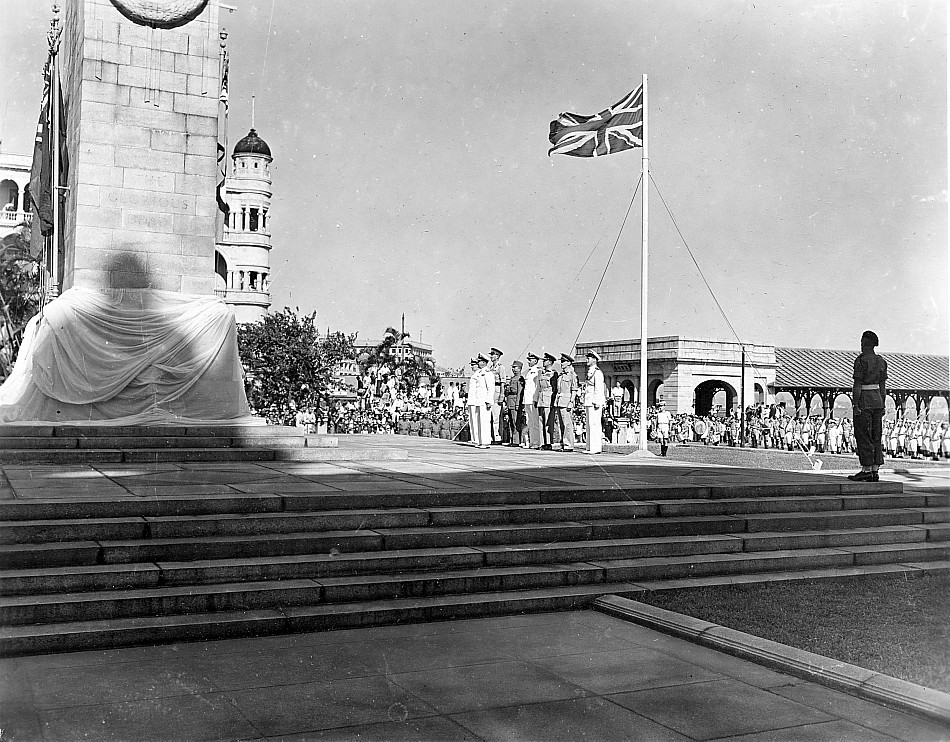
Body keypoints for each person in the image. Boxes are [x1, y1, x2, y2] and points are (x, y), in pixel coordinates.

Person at [849, 330, 888, 481]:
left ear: (865, 344)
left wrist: (855, 404)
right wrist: (883, 404)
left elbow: (857, 385)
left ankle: (866, 469)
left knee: (863, 435)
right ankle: (875, 470)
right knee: (876, 435)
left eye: (862, 342)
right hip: (878, 400)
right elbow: (883, 387)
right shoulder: (881, 361)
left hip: (864, 400)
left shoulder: (861, 360)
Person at [555, 353, 579, 451]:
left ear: (569, 363)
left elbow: (574, 389)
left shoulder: (572, 375)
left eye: (564, 361)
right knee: (561, 423)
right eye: (561, 361)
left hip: (567, 401)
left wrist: (571, 402)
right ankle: (563, 443)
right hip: (560, 400)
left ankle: (569, 445)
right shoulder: (561, 375)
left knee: (567, 424)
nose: (562, 363)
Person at [584, 350, 606, 454]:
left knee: (594, 424)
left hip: (594, 401)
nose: (587, 360)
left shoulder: (597, 372)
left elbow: (599, 388)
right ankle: (589, 446)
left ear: (594, 359)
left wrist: (597, 401)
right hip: (588, 400)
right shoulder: (590, 371)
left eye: (589, 358)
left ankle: (595, 447)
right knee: (589, 424)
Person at [487, 347, 508, 444]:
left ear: (498, 356)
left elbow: (503, 382)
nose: (491, 356)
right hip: (491, 391)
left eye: (493, 355)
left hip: (498, 390)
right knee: (490, 416)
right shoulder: (490, 368)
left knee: (496, 416)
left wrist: (502, 395)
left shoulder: (501, 367)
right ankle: (491, 436)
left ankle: (497, 437)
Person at [537, 353, 557, 450]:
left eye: (545, 360)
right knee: (541, 421)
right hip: (541, 399)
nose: (543, 362)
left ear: (550, 362)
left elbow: (554, 388)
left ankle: (548, 442)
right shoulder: (542, 373)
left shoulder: (553, 373)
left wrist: (553, 402)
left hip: (548, 399)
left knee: (548, 422)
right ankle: (542, 442)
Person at [523, 352, 542, 449]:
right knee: (529, 421)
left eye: (530, 360)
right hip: (527, 399)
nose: (528, 362)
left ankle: (536, 442)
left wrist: (536, 399)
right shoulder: (528, 372)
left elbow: (537, 387)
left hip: (533, 399)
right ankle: (531, 441)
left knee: (535, 422)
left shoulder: (538, 371)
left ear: (535, 361)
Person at [504, 360, 525, 447]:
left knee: (516, 421)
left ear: (519, 369)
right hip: (510, 401)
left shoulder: (520, 379)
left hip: (515, 401)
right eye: (512, 367)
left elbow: (520, 392)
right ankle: (512, 439)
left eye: (515, 367)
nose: (513, 369)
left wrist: (517, 404)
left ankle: (516, 441)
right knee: (511, 421)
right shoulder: (512, 378)